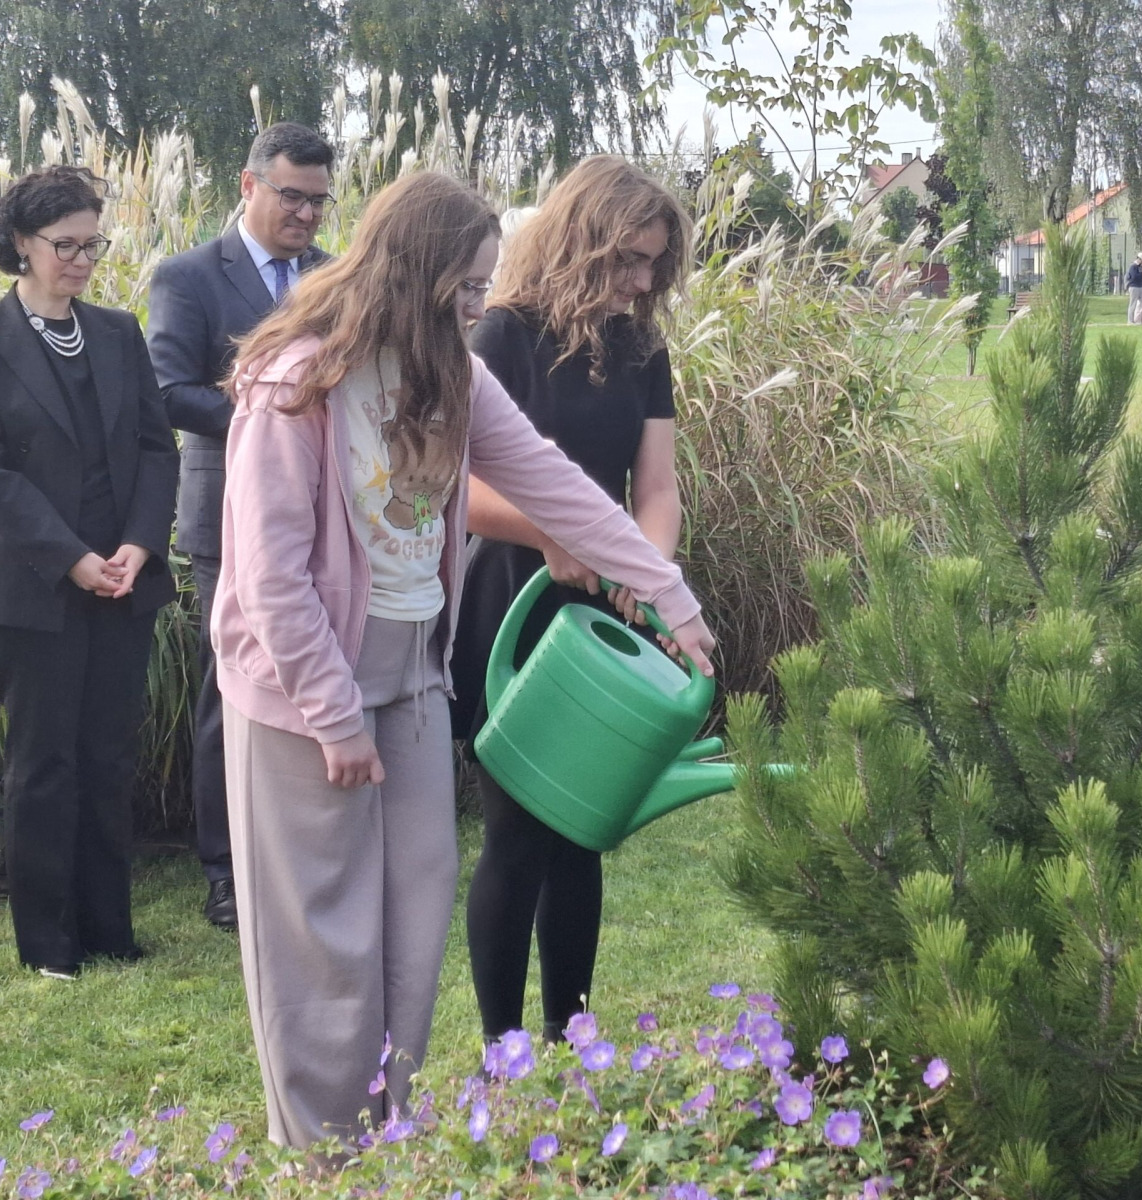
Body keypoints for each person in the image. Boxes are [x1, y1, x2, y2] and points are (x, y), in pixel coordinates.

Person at [216, 169, 715, 1150]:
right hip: (305, 688)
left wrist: (671, 598)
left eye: (485, 288)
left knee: (410, 930)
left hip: (411, 676)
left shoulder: (453, 368)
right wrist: (332, 710)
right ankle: (321, 1155)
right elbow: (269, 575)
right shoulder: (298, 379)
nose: (479, 308)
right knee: (323, 938)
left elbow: (556, 486)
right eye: (465, 289)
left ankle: (384, 1129)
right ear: (410, 275)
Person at [449, 156, 690, 1046]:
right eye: (628, 260)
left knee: (582, 831)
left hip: (604, 615)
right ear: (583, 239)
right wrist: (554, 535)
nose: (640, 283)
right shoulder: (501, 336)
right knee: (516, 834)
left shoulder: (642, 347)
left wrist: (644, 570)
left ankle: (569, 1038)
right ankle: (502, 1050)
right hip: (515, 600)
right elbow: (457, 486)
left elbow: (656, 487)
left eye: (654, 267)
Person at [0, 166, 179, 977]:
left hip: (124, 581)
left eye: (92, 244)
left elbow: (153, 446)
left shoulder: (117, 330)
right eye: (65, 245)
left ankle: (109, 931)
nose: (82, 260)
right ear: (21, 244)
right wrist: (72, 559)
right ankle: (48, 944)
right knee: (44, 766)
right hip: (37, 585)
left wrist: (138, 544)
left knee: (106, 757)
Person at [147, 122, 335, 931]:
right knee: (234, 694)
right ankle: (227, 871)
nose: (306, 214)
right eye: (292, 195)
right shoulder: (188, 275)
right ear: (248, 183)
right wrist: (275, 410)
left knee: (319, 679)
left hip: (332, 518)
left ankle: (307, 855)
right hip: (228, 516)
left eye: (320, 201)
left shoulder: (336, 277)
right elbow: (165, 390)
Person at [1125, 253, 1142, 324]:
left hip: (1141, 287)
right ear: (1138, 259)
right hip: (1134, 287)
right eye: (1141, 260)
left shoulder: (1140, 267)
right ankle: (1130, 321)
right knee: (1133, 304)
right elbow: (1134, 277)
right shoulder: (1133, 266)